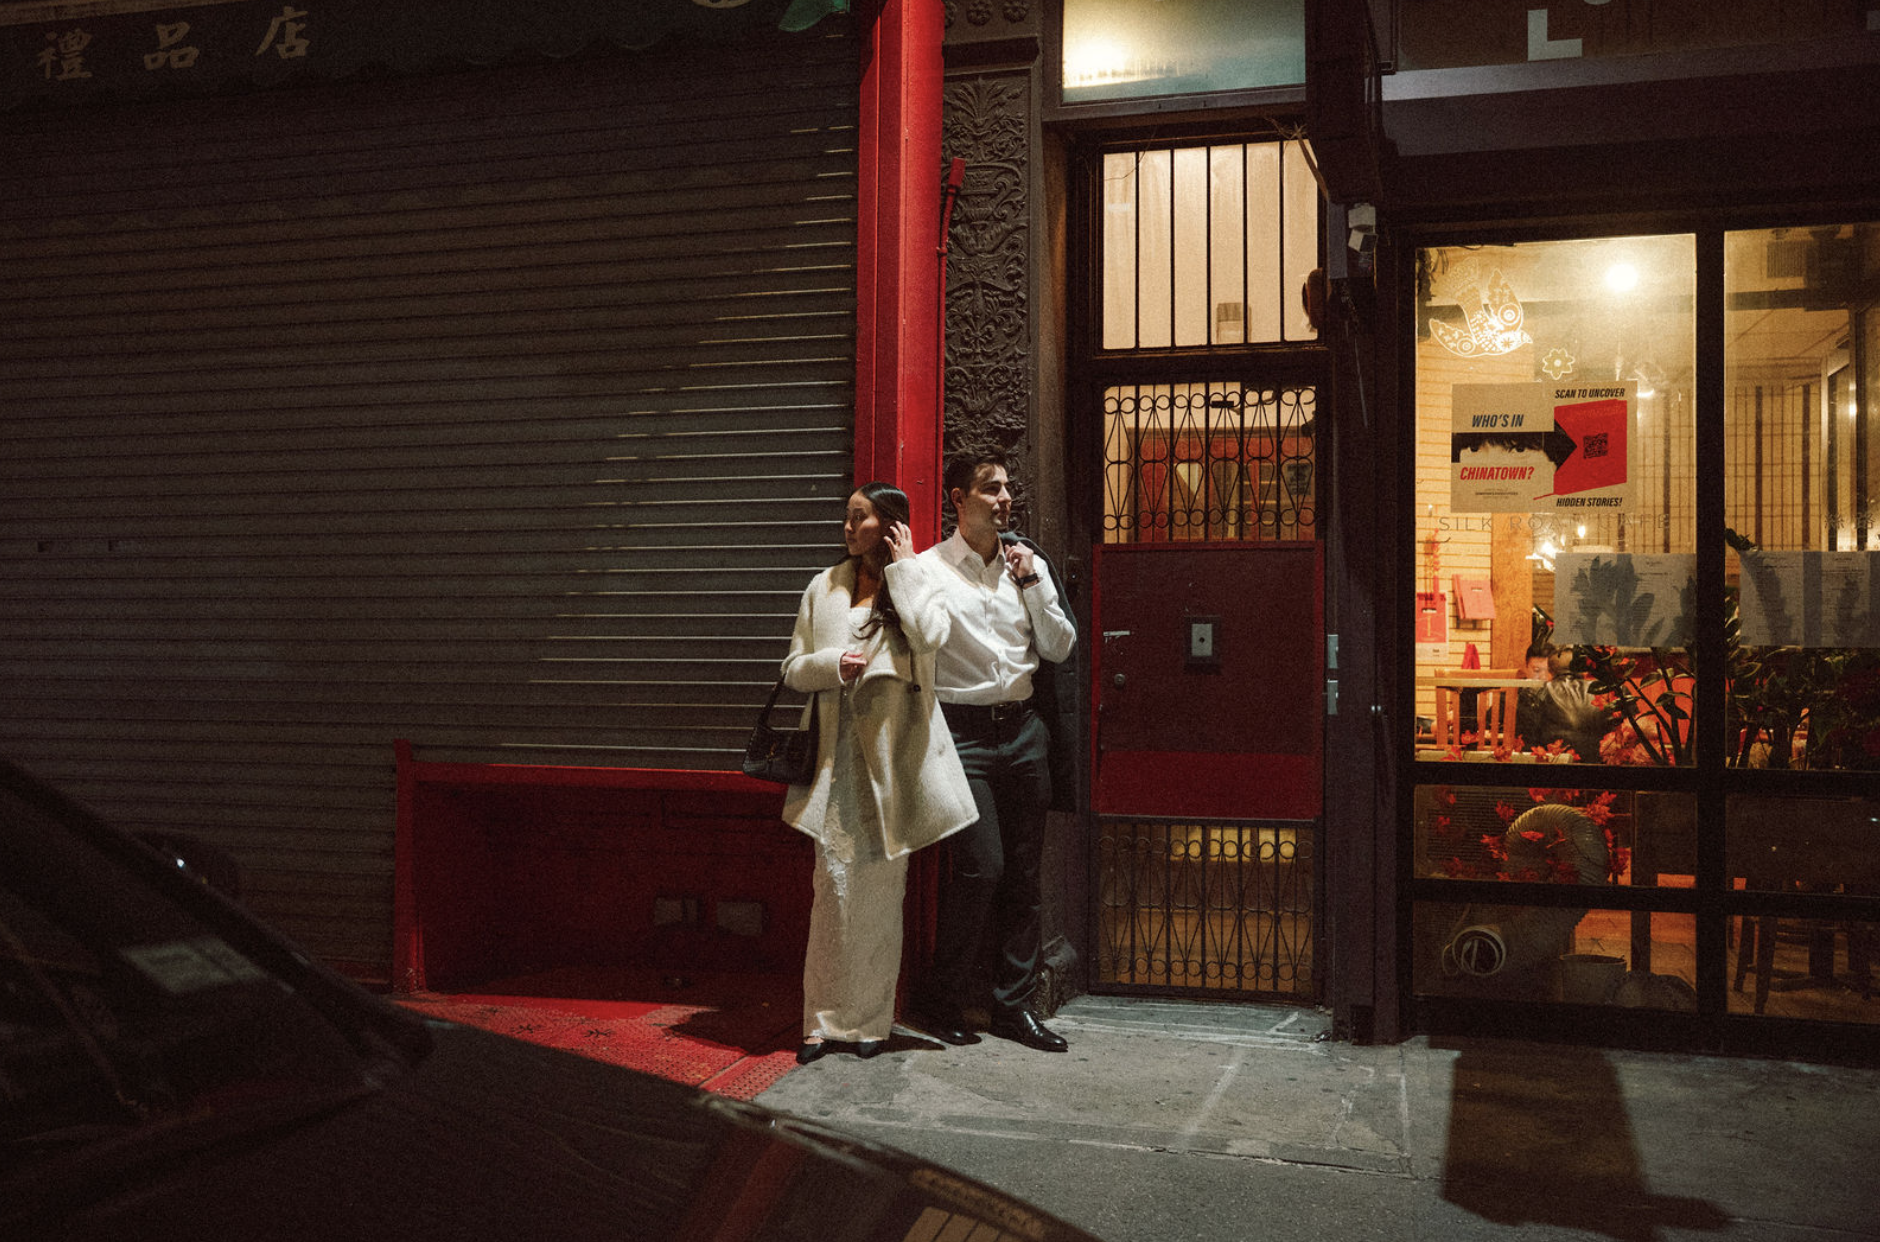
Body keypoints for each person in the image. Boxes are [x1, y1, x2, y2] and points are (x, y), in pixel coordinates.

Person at [780, 482, 977, 1064]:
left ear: (889, 524)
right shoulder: (824, 587)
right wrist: (830, 665)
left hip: (893, 765)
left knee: (881, 900)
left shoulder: (918, 580)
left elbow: (931, 636)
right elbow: (793, 668)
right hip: (834, 763)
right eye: (846, 517)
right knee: (830, 895)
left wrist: (906, 568)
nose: (848, 528)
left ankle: (869, 1023)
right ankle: (819, 1023)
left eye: (860, 517)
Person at [911, 452, 1077, 1052]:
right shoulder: (928, 569)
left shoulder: (1027, 564)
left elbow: (1059, 647)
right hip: (961, 735)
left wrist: (1032, 583)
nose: (1005, 498)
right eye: (991, 488)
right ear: (959, 499)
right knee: (982, 868)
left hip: (1024, 730)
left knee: (1025, 875)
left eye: (1007, 488)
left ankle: (1014, 1008)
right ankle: (943, 999)